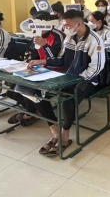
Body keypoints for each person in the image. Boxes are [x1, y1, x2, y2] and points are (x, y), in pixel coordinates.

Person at [29, 9, 105, 157]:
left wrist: (76, 79)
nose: (64, 28)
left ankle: (65, 136)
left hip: (86, 80)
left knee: (67, 99)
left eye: (67, 25)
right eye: (63, 25)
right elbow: (61, 59)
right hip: (67, 77)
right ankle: (54, 130)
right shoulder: (69, 38)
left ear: (78, 24)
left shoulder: (94, 40)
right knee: (36, 91)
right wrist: (42, 61)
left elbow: (96, 68)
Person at [7, 10, 65, 126]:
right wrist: (29, 64)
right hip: (40, 68)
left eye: (42, 24)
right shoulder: (35, 35)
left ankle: (34, 115)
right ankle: (34, 112)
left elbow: (56, 59)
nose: (39, 28)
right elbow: (33, 55)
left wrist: (44, 45)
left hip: (55, 70)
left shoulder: (58, 36)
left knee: (32, 90)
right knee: (12, 92)